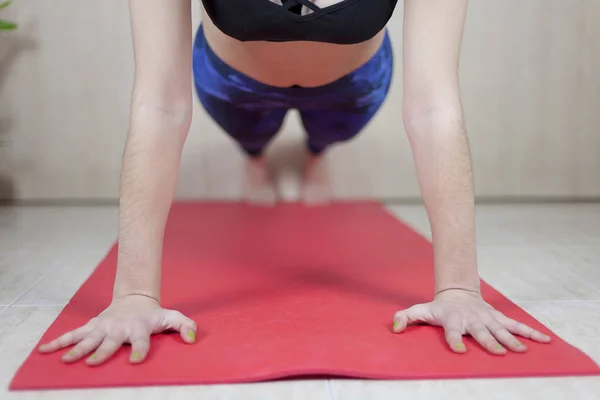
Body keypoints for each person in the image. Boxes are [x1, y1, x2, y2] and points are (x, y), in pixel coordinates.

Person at [38, 0, 551, 365]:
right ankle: (256, 154)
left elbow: (434, 107)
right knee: (250, 132)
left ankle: (316, 150)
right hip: (233, 81)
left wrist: (459, 288)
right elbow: (161, 107)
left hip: (354, 81)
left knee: (333, 130)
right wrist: (134, 296)